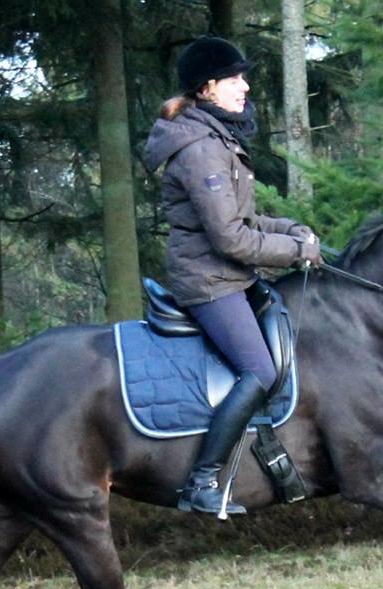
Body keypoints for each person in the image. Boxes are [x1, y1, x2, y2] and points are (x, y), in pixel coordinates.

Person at [144, 35, 322, 516]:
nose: (245, 87)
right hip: (210, 281)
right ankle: (201, 483)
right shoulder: (200, 148)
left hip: (230, 276)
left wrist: (293, 231)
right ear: (207, 89)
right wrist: (296, 252)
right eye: (234, 79)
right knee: (260, 370)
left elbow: (245, 220)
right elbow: (231, 239)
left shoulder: (217, 137)